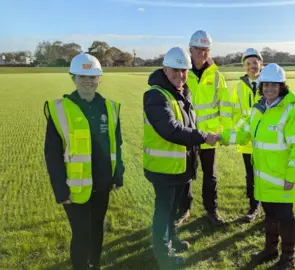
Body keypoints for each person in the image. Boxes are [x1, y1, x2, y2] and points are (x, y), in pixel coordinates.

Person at [220, 63, 295, 269]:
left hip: (282, 179)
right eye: (266, 85)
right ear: (261, 86)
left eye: (274, 85)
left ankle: (288, 259)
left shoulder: (291, 112)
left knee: (285, 218)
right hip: (263, 178)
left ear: (282, 87)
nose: (269, 89)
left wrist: (292, 175)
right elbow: (243, 134)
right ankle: (270, 249)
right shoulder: (257, 110)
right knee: (270, 215)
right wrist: (220, 136)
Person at [43, 53, 125, 270]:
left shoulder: (110, 108)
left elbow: (117, 145)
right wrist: (60, 189)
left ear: (100, 79)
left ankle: (93, 264)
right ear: (73, 78)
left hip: (102, 184)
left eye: (93, 76)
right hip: (75, 187)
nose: (88, 81)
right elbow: (52, 154)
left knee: (97, 228)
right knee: (81, 233)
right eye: (82, 76)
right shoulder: (60, 109)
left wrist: (118, 175)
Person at [143, 47, 218, 268]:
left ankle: (173, 239)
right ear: (164, 69)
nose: (180, 75)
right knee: (164, 210)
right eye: (175, 70)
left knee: (176, 209)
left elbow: (188, 125)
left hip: (182, 166)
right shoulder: (156, 95)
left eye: (184, 70)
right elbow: (170, 129)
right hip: (164, 168)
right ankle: (163, 251)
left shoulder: (183, 93)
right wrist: (204, 137)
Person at [176, 30, 233, 227]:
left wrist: (224, 132)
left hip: (210, 136)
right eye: (198, 49)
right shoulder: (182, 73)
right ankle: (184, 209)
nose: (202, 53)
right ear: (190, 49)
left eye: (206, 49)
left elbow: (225, 107)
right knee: (185, 174)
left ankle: (212, 210)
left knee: (210, 175)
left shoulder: (217, 76)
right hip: (188, 134)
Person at [231, 48, 264, 222]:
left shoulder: (270, 82)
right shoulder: (239, 87)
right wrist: (242, 131)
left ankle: (269, 208)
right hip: (247, 140)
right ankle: (253, 207)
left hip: (266, 139)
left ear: (261, 63)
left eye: (255, 62)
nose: (252, 66)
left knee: (266, 174)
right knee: (250, 175)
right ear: (244, 67)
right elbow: (236, 113)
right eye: (248, 63)